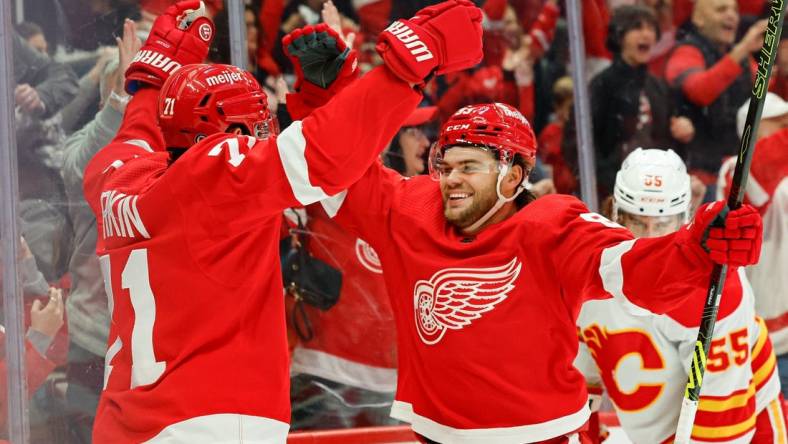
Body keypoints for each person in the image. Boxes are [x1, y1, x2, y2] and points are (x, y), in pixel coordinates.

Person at [82, 1, 483, 441]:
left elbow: (137, 133)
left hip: (124, 424)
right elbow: (321, 156)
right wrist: (406, 64)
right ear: (233, 138)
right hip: (206, 424)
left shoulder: (116, 175)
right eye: (258, 128)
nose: (265, 137)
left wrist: (152, 81)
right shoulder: (216, 176)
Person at [322, 101, 763, 443]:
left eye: (469, 166)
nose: (451, 179)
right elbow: (341, 178)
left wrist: (694, 249)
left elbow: (630, 268)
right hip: (434, 431)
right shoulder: (414, 209)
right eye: (446, 166)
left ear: (512, 177)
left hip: (540, 434)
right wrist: (322, 104)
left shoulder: (556, 229)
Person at [575, 148, 785, 443]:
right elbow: (580, 380)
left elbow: (725, 418)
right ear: (615, 214)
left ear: (684, 218)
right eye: (637, 221)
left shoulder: (714, 282)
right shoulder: (591, 263)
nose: (648, 238)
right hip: (656, 431)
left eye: (662, 224)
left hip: (745, 420)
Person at [718, 94, 788, 398]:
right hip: (768, 344)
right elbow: (761, 171)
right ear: (753, 129)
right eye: (781, 123)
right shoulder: (734, 171)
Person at [665, 0, 766, 197]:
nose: (731, 15)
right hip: (699, 180)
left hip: (736, 173)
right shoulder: (686, 51)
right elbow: (700, 91)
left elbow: (767, 98)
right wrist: (744, 48)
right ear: (699, 19)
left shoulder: (739, 56)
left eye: (735, 10)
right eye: (721, 9)